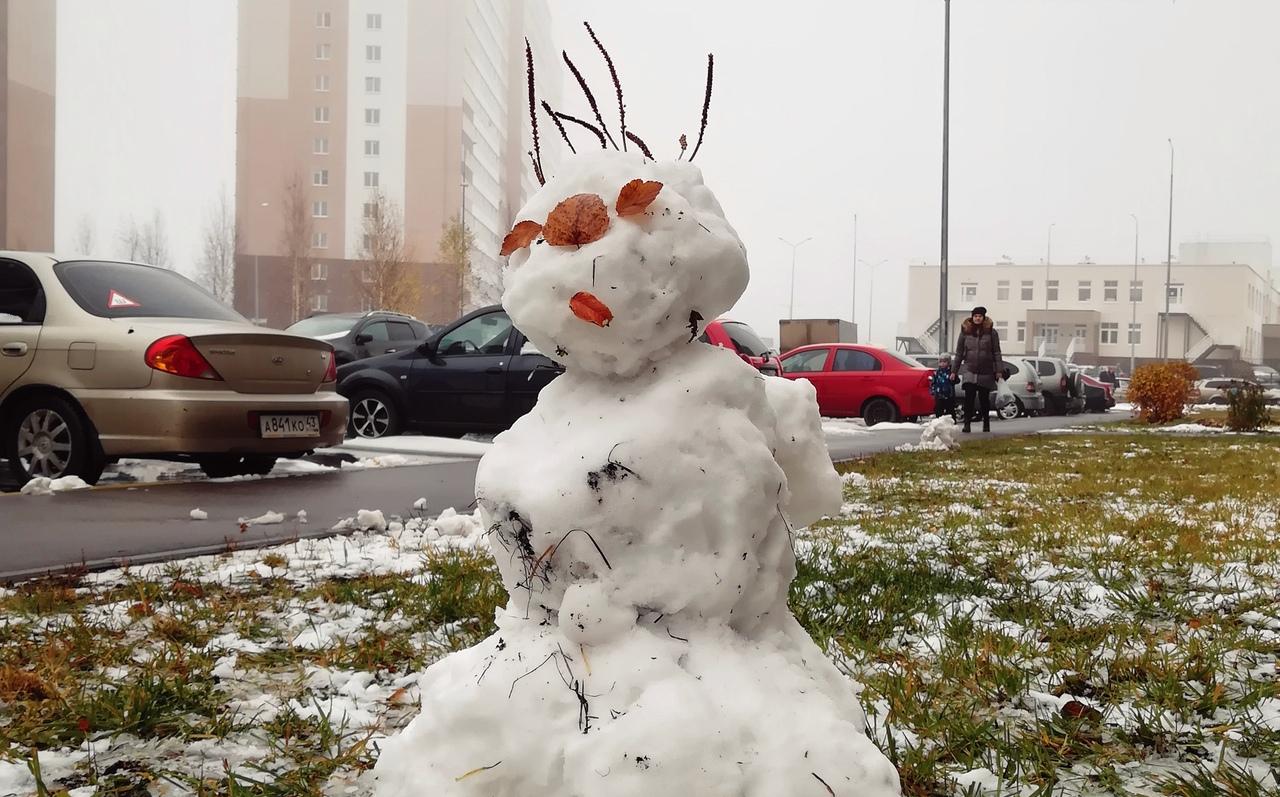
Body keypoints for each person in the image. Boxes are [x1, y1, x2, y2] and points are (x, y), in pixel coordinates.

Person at [953, 306, 1002, 433]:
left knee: (984, 399)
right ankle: (966, 424)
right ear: (972, 317)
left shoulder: (991, 332)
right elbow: (959, 353)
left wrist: (998, 370)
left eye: (980, 316)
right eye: (975, 316)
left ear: (983, 317)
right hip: (969, 370)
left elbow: (996, 352)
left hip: (985, 371)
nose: (977, 318)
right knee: (969, 398)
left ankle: (986, 423)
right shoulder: (965, 332)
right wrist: (954, 371)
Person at [929, 354, 957, 419]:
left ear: (948, 362)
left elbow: (956, 380)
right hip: (939, 394)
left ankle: (952, 422)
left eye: (944, 362)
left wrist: (953, 378)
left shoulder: (951, 372)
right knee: (938, 410)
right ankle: (939, 421)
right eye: (941, 362)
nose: (942, 364)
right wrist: (933, 390)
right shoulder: (937, 372)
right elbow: (933, 382)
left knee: (950, 410)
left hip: (949, 395)